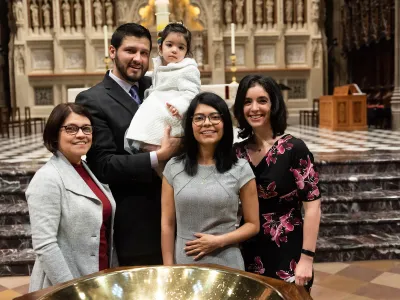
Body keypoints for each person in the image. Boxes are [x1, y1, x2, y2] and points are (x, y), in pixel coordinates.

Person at [75, 23, 180, 266]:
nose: (138, 59)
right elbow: (103, 164)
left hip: (175, 210)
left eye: (144, 53)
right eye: (130, 51)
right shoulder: (93, 99)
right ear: (112, 51)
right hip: (135, 218)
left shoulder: (156, 87)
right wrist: (159, 156)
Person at [233, 75, 321, 291]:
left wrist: (307, 258)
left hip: (287, 251)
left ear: (274, 104)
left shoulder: (293, 149)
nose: (254, 108)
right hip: (247, 249)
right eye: (247, 101)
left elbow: (313, 207)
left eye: (262, 100)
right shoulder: (236, 152)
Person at [161, 92, 259, 269]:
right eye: (199, 118)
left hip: (227, 262)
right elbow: (167, 224)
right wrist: (168, 268)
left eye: (215, 117)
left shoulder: (241, 168)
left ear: (225, 123)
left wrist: (219, 241)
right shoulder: (173, 168)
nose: (207, 123)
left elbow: (253, 224)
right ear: (190, 124)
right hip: (185, 264)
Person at [26, 103, 116, 292]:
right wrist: (72, 289)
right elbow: (45, 245)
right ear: (54, 135)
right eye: (71, 129)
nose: (81, 134)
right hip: (65, 285)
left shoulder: (86, 170)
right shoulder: (47, 178)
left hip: (99, 275)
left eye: (86, 128)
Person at [125, 22, 201, 152]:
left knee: (160, 146)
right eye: (169, 45)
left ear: (186, 52)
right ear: (160, 48)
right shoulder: (159, 67)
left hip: (172, 112)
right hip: (158, 109)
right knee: (148, 142)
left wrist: (179, 106)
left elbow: (192, 92)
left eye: (181, 47)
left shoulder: (188, 69)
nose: (174, 50)